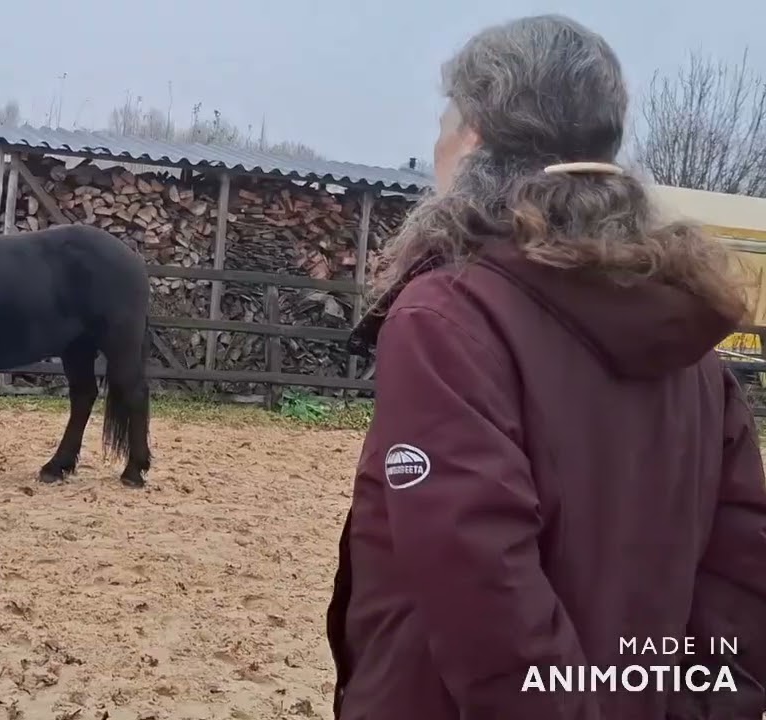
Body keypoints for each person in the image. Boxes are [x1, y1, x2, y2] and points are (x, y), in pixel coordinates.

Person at [327, 14, 766, 720]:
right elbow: (742, 576)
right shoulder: (689, 335)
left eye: (448, 119)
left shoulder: (449, 317)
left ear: (473, 134)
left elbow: (480, 577)